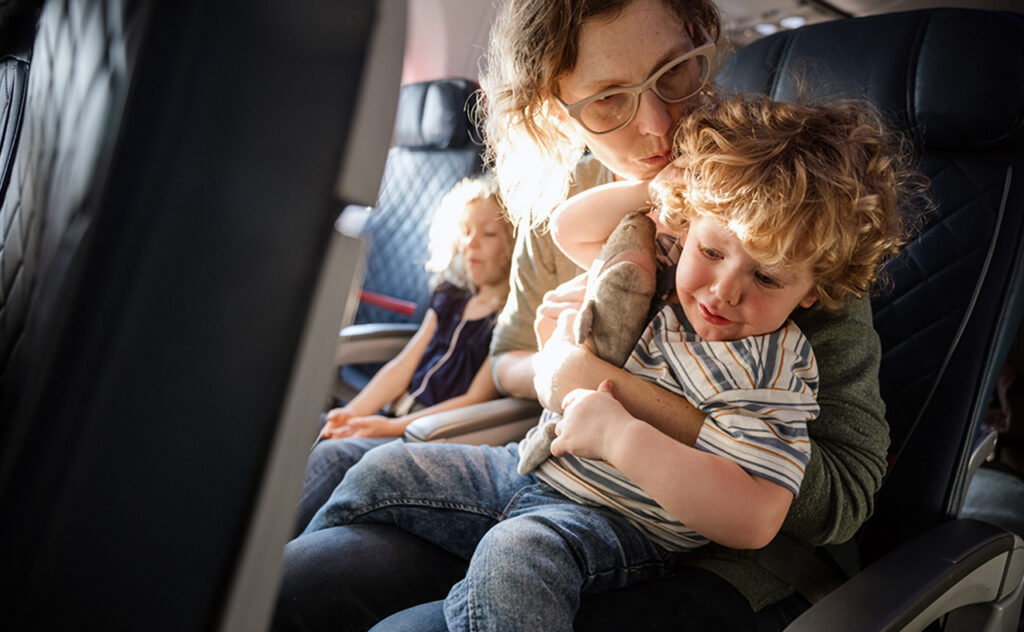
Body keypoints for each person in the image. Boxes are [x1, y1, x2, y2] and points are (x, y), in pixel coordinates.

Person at [272, 1, 903, 630]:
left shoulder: (776, 218)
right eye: (608, 98)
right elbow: (509, 356)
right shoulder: (591, 205)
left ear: (701, 48)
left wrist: (597, 386)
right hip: (551, 468)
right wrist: (551, 368)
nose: (657, 125)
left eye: (674, 74)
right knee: (301, 582)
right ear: (555, 107)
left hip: (717, 552)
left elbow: (842, 495)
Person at [294, 175, 514, 532]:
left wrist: (388, 426)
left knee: (335, 455)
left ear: (513, 242)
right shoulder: (451, 296)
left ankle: (277, 554)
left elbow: (476, 398)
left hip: (425, 435)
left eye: (488, 234)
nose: (471, 244)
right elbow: (402, 366)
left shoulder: (508, 318)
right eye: (465, 231)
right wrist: (351, 413)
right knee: (317, 425)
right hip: (392, 417)